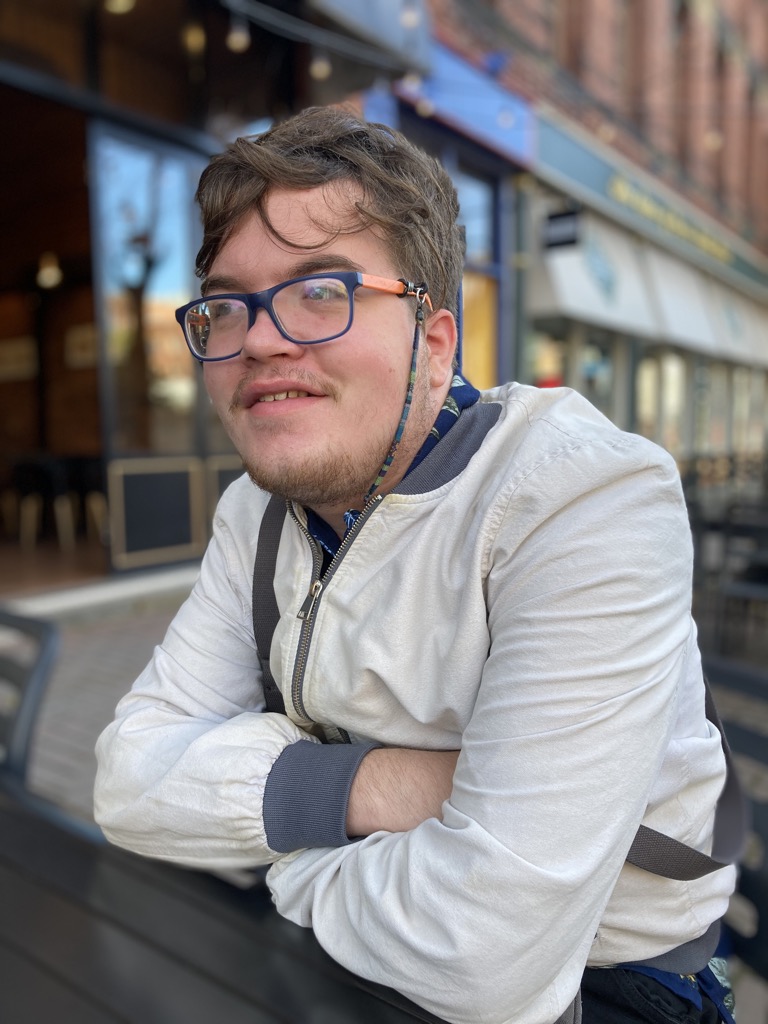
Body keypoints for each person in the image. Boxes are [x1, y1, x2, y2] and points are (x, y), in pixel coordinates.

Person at [94, 106, 738, 1024]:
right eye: (229, 304)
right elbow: (126, 783)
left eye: (323, 290)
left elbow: (484, 960)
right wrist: (381, 785)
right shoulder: (256, 512)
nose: (264, 339)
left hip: (609, 983)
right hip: (336, 959)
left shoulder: (583, 498)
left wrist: (277, 843)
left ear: (434, 347)